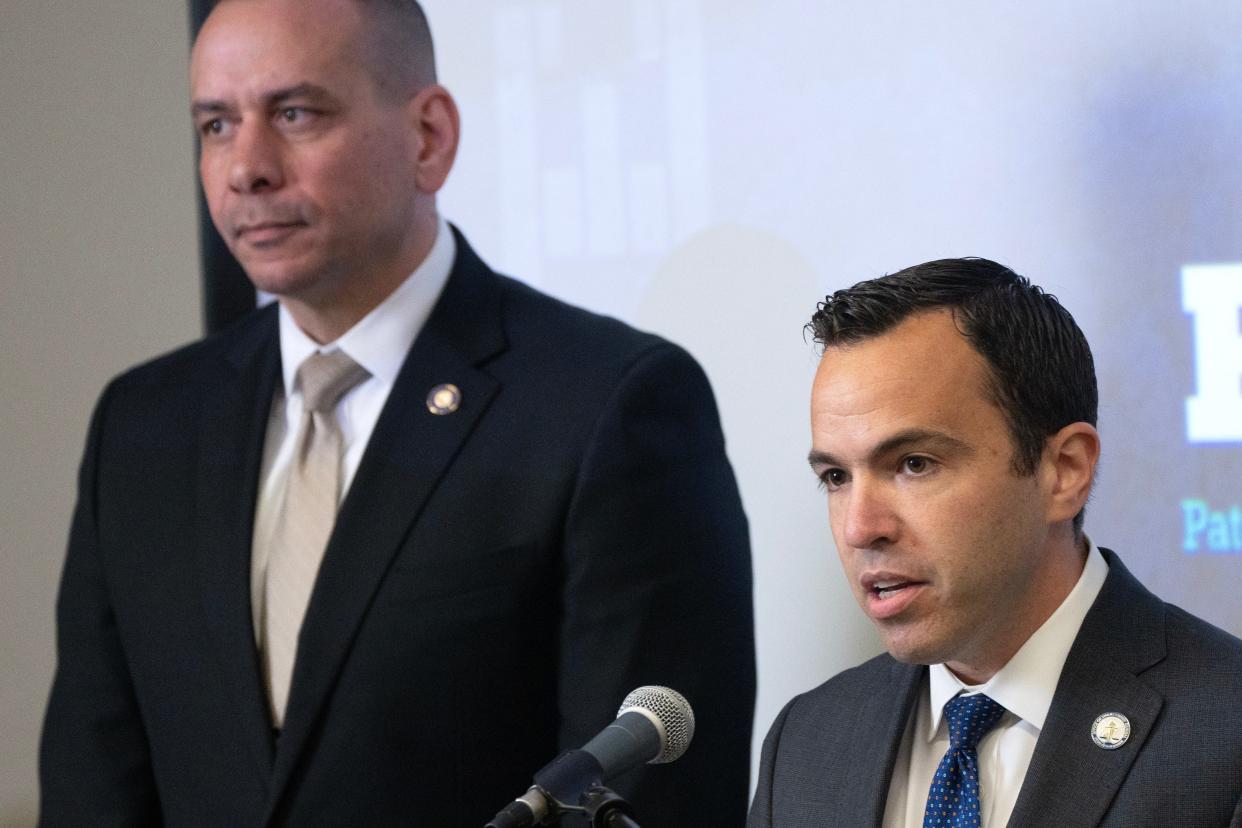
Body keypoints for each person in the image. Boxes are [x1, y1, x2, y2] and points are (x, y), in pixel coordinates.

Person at [38, 1, 755, 825]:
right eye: (216, 125)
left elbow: (649, 797)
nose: (247, 168)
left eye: (295, 113)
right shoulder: (143, 425)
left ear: (429, 137)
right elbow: (94, 783)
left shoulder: (609, 403)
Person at [749, 258, 1242, 827]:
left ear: (1065, 471)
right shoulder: (809, 740)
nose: (861, 528)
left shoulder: (1225, 733)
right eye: (836, 477)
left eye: (914, 464)